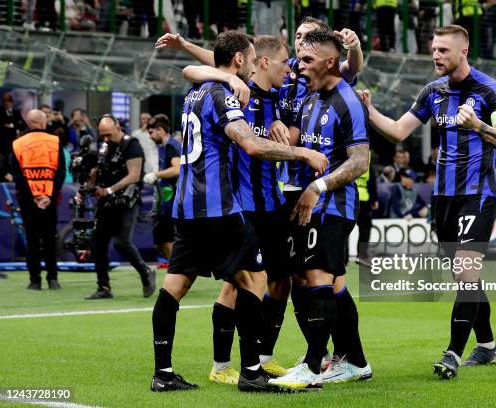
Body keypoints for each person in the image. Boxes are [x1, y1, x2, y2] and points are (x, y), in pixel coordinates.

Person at [149, 31, 328, 393]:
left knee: (175, 285)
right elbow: (249, 143)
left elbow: (193, 70)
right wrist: (303, 153)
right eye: (247, 59)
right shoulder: (223, 94)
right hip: (219, 206)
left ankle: (163, 374)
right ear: (241, 60)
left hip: (186, 206)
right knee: (254, 279)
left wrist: (215, 68)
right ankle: (250, 371)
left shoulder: (196, 93)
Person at [359, 25, 496, 379]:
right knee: (466, 279)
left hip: (479, 193)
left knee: (465, 269)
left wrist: (478, 126)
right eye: (433, 49)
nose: (435, 55)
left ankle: (452, 355)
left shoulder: (490, 90)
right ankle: (487, 346)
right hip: (443, 198)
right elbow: (398, 130)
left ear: (464, 52)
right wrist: (369, 110)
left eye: (443, 50)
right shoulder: (433, 91)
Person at [181, 35, 294, 383]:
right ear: (258, 61)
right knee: (237, 284)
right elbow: (197, 68)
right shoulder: (235, 91)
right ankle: (222, 366)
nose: (290, 71)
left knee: (280, 283)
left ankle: (264, 357)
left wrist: (285, 128)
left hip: (272, 204)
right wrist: (226, 75)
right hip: (241, 206)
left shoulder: (278, 95)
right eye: (284, 63)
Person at [269, 29, 372, 389]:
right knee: (321, 282)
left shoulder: (348, 101)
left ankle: (313, 367)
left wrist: (318, 186)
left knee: (316, 279)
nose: (300, 66)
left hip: (334, 205)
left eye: (308, 61)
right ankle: (354, 361)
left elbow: (360, 161)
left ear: (330, 62)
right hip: (310, 204)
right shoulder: (311, 98)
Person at [84, 115, 156, 300]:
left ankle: (146, 272)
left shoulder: (131, 144)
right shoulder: (104, 148)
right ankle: (104, 287)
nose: (105, 138)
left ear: (117, 127)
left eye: (108, 134)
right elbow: (98, 171)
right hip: (106, 202)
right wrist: (90, 184)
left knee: (122, 242)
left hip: (126, 201)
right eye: (102, 135)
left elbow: (134, 175)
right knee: (97, 242)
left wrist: (108, 190)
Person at [10, 110, 66, 290]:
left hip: (28, 201)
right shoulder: (55, 142)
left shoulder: (17, 144)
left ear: (28, 122)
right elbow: (61, 173)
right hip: (49, 201)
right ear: (43, 123)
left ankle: (35, 280)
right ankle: (53, 278)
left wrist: (34, 196)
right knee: (50, 238)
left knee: (32, 238)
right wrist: (47, 195)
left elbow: (17, 176)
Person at [143, 114, 180, 262]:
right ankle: (174, 269)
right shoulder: (164, 147)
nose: (150, 136)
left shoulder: (172, 145)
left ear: (160, 130)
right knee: (159, 240)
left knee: (167, 239)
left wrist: (155, 175)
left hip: (172, 200)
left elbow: (177, 169)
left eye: (151, 132)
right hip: (165, 199)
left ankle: (175, 271)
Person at [0, 92, 27, 178]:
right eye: (5, 101)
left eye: (9, 101)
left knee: (15, 158)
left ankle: (14, 174)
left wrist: (13, 126)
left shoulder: (16, 113)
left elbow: (23, 125)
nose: (7, 103)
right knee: (4, 159)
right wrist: (11, 126)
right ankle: (4, 174)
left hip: (15, 141)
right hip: (3, 142)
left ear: (12, 102)